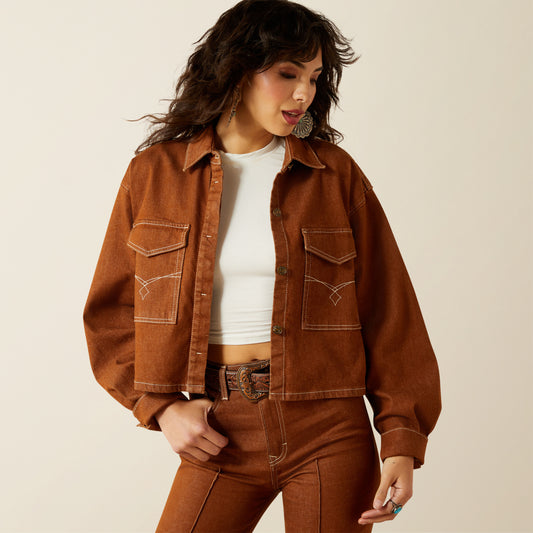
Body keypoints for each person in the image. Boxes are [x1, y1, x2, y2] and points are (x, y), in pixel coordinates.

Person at [83, 1, 442, 531]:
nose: (304, 93)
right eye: (288, 74)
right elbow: (110, 313)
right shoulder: (154, 175)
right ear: (237, 69)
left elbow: (391, 314)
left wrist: (401, 440)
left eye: (315, 78)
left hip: (329, 428)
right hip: (220, 430)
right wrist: (160, 406)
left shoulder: (333, 175)